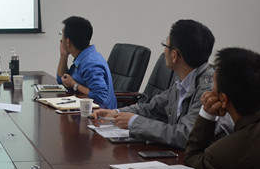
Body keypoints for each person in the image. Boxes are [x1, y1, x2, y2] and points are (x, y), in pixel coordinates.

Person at [92, 19, 231, 148]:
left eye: (165, 45)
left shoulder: (208, 89)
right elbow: (151, 108)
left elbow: (186, 135)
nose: (164, 51)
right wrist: (116, 113)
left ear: (174, 55)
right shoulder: (183, 81)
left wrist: (134, 121)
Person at [56, 16, 117, 109]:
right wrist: (63, 55)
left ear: (68, 41)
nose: (61, 40)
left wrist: (75, 85)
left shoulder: (90, 63)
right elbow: (62, 80)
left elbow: (101, 97)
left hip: (100, 114)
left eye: (62, 35)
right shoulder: (83, 57)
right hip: (85, 109)